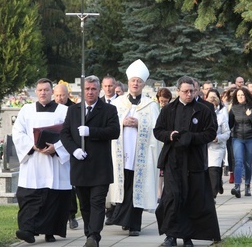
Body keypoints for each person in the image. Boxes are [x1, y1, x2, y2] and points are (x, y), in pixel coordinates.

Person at [154, 76, 221, 247]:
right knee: (171, 198)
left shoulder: (203, 110)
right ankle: (170, 236)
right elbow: (158, 130)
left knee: (190, 198)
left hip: (193, 161)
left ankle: (187, 237)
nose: (189, 94)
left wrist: (191, 137)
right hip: (173, 160)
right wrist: (169, 135)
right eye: (185, 91)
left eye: (192, 91)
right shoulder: (168, 109)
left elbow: (210, 133)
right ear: (178, 91)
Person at [60, 75, 120, 247]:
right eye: (87, 89)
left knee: (97, 203)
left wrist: (91, 131)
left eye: (93, 89)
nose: (90, 92)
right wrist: (74, 150)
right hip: (80, 166)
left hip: (100, 166)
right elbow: (64, 134)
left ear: (99, 90)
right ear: (83, 91)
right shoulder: (73, 110)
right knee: (84, 205)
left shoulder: (109, 110)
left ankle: (94, 236)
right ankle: (89, 235)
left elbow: (114, 131)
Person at [12, 78, 71, 243]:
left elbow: (69, 135)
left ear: (52, 92)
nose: (43, 93)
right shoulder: (26, 110)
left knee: (53, 198)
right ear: (36, 92)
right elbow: (17, 132)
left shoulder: (64, 111)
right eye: (40, 90)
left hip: (54, 162)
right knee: (30, 197)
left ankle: (50, 231)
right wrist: (32, 146)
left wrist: (56, 148)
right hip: (33, 161)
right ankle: (27, 230)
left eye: (46, 90)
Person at [106, 59, 161, 237]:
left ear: (144, 84)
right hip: (121, 154)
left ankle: (134, 225)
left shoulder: (151, 105)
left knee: (136, 190)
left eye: (139, 81)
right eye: (133, 81)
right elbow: (110, 126)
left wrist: (140, 124)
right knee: (124, 186)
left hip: (140, 156)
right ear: (128, 82)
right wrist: (122, 122)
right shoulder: (117, 104)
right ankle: (124, 220)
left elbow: (156, 130)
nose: (136, 83)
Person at [228, 87, 252, 197]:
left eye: (242, 95)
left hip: (251, 138)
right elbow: (229, 124)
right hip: (237, 137)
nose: (240, 97)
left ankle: (247, 185)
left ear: (246, 96)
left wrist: (251, 115)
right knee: (238, 161)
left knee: (247, 163)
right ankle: (237, 186)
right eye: (238, 95)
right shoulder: (234, 108)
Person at [53, 83, 78, 230]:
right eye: (56, 95)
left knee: (70, 185)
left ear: (67, 95)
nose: (59, 98)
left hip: (70, 151)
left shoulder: (74, 108)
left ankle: (71, 216)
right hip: (53, 151)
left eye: (62, 95)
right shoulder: (51, 109)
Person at [206, 89, 230, 200]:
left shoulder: (221, 116)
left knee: (214, 171)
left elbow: (227, 133)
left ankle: (212, 196)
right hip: (205, 147)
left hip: (216, 148)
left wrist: (218, 138)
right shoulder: (202, 115)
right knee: (206, 173)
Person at [155, 87, 173, 204]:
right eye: (161, 101)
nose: (163, 104)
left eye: (165, 101)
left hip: (166, 142)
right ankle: (158, 192)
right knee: (158, 170)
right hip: (156, 142)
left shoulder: (170, 110)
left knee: (163, 169)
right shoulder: (154, 109)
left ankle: (162, 192)